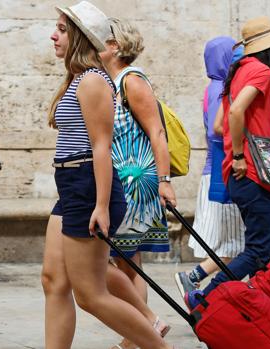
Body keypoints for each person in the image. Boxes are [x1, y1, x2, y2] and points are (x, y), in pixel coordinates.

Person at [41, 2, 175, 349]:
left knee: (90, 294)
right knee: (53, 280)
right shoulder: (77, 78)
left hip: (87, 184)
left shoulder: (92, 80)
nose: (53, 35)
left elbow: (102, 147)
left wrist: (101, 205)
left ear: (82, 37)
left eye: (62, 29)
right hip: (71, 186)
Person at [185, 16, 270, 309]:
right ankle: (202, 297)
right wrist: (241, 156)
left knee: (266, 245)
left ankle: (261, 302)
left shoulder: (237, 70)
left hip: (238, 174)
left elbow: (224, 121)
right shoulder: (261, 71)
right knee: (257, 249)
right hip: (250, 171)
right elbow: (235, 112)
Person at [100, 18, 175, 349]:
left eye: (98, 40)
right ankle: (138, 335)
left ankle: (145, 325)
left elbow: (157, 132)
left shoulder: (132, 80)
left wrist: (165, 179)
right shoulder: (112, 82)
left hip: (135, 185)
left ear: (114, 46)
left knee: (108, 261)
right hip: (123, 182)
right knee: (129, 265)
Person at [174, 37, 246, 298]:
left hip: (216, 172)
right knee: (237, 245)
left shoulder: (214, 87)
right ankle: (193, 278)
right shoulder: (220, 89)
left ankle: (225, 296)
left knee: (234, 244)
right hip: (221, 173)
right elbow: (219, 132)